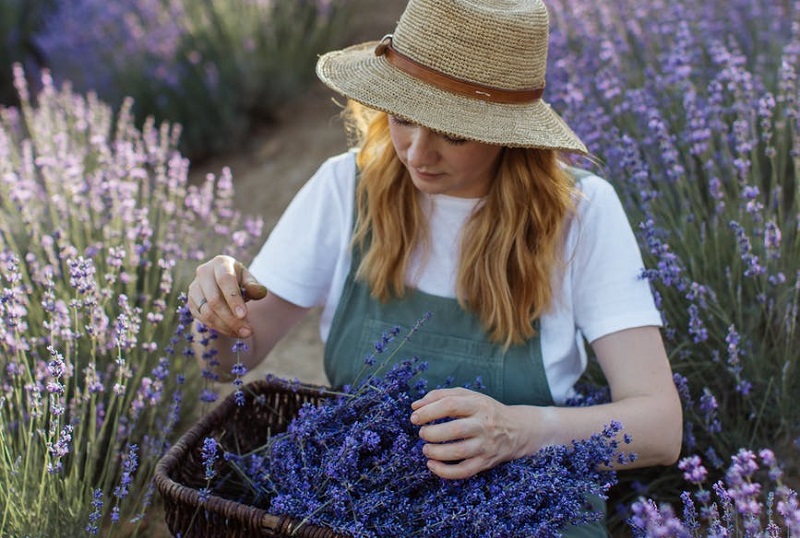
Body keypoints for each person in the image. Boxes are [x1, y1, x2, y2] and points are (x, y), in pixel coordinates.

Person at [188, 0, 682, 534]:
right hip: (359, 492)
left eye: (453, 133)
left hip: (525, 504)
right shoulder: (345, 187)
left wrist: (517, 430)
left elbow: (660, 425)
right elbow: (226, 363)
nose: (417, 153)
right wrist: (216, 311)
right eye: (402, 117)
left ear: (508, 131)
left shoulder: (581, 215)